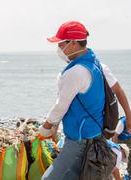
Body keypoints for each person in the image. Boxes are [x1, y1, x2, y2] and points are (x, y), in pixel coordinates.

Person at [39, 21, 107, 179]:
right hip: (94, 134)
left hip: (79, 140)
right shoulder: (94, 63)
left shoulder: (76, 71)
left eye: (61, 44)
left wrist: (46, 127)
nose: (59, 49)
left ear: (74, 43)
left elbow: (61, 105)